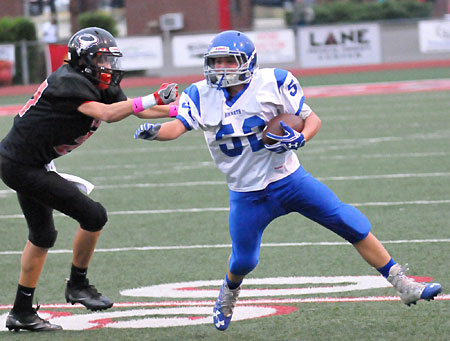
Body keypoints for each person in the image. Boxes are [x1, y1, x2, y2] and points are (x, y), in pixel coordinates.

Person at [133, 30, 442, 331]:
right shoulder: (200, 94)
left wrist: (299, 138)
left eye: (230, 61)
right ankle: (228, 293)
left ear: (249, 62)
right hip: (247, 193)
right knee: (243, 260)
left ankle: (403, 284)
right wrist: (155, 133)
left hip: (289, 179)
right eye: (217, 62)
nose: (222, 68)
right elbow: (176, 127)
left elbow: (312, 119)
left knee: (351, 222)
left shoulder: (274, 82)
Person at [0, 27, 177, 332]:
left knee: (42, 236)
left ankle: (21, 312)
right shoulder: (67, 81)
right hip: (21, 165)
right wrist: (151, 96)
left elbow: (138, 110)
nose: (108, 66)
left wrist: (182, 110)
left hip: (32, 161)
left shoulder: (95, 80)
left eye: (109, 59)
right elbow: (108, 114)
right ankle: (78, 285)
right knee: (93, 215)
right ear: (84, 59)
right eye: (102, 59)